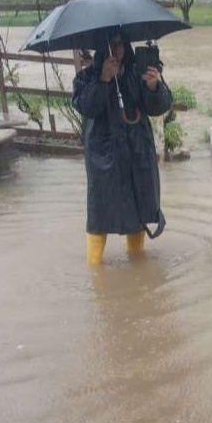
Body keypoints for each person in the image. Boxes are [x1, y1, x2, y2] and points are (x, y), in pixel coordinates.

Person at [72, 33, 173, 265]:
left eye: (120, 44)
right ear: (102, 47)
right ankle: (95, 272)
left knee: (139, 208)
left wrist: (154, 86)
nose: (117, 49)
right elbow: (87, 107)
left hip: (138, 152)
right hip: (103, 157)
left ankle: (138, 265)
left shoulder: (138, 74)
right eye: (111, 44)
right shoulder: (85, 78)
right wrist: (104, 79)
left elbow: (160, 106)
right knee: (100, 212)